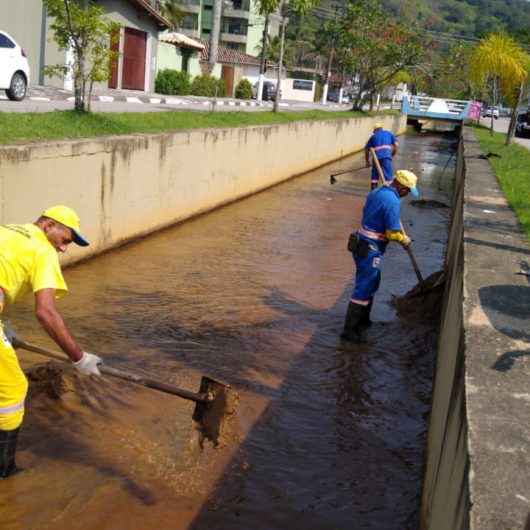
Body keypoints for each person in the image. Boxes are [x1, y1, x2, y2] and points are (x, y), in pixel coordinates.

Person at [0, 205, 102, 478]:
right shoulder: (43, 250)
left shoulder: (6, 230)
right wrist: (79, 358)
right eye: (66, 239)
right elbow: (45, 313)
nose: (65, 249)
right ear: (47, 226)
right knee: (12, 390)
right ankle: (5, 471)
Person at [342, 170, 419, 342]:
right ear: (399, 185)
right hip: (370, 248)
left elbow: (367, 213)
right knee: (364, 287)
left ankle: (364, 321)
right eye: (406, 190)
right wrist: (404, 239)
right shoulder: (392, 201)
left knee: (372, 281)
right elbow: (392, 233)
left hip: (361, 243)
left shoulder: (377, 192)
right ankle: (349, 332)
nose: (407, 194)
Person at [365, 123, 399, 190]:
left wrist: (367, 162)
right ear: (381, 128)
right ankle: (388, 193)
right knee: (388, 177)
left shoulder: (373, 137)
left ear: (375, 130)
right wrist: (391, 155)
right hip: (386, 157)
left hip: (376, 158)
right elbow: (396, 146)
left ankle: (373, 192)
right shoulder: (389, 134)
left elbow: (366, 150)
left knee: (374, 177)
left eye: (374, 131)